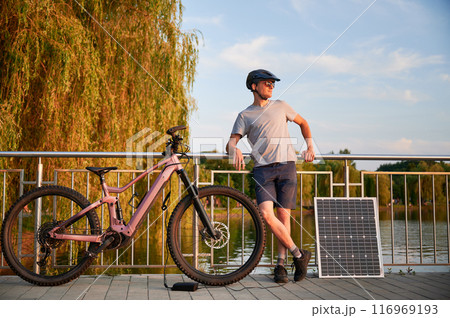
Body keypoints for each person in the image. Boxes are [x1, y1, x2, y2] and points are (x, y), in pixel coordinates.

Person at [226, 69, 315, 283]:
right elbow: (231, 142)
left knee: (284, 217)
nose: (271, 86)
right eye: (267, 83)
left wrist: (310, 145)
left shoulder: (281, 106)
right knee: (267, 214)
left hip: (287, 166)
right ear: (254, 86)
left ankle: (281, 266)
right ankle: (299, 255)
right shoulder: (244, 115)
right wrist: (235, 149)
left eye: (273, 83)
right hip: (263, 169)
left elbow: (303, 123)